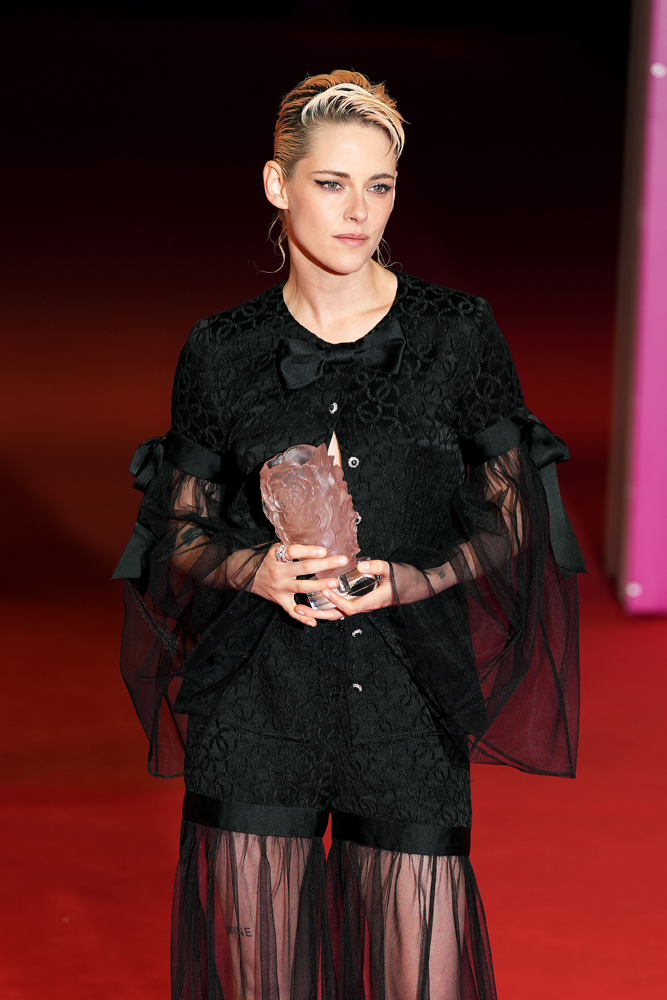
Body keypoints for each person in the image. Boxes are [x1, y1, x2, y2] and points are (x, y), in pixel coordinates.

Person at [114, 70, 584, 1000]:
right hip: (258, 703)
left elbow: (515, 510)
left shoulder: (457, 333)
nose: (359, 211)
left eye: (380, 186)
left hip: (405, 701)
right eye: (331, 183)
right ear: (276, 184)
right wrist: (255, 570)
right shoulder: (220, 348)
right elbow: (178, 530)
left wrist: (415, 579)